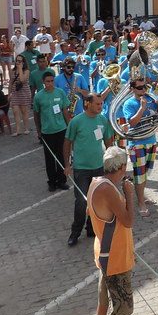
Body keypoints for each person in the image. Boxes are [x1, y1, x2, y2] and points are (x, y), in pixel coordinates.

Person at [88, 145, 137, 315]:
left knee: (104, 303)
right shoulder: (109, 189)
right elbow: (127, 220)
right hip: (114, 259)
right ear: (122, 167)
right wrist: (129, 193)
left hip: (106, 254)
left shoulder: (97, 182)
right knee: (120, 308)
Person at [63, 94, 115, 246]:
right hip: (81, 169)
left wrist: (110, 162)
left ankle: (92, 228)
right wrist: (67, 164)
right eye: (97, 104)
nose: (100, 106)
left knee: (97, 200)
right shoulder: (77, 121)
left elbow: (108, 141)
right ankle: (75, 232)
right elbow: (67, 142)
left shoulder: (103, 120)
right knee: (81, 202)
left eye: (101, 104)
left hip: (99, 168)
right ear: (87, 104)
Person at [121, 77, 158, 217]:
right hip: (137, 143)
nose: (143, 90)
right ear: (132, 89)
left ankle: (142, 196)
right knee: (139, 174)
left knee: (146, 172)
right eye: (140, 88)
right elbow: (133, 122)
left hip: (151, 140)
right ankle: (141, 202)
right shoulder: (129, 103)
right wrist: (142, 108)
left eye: (144, 87)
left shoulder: (151, 99)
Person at [32, 72, 71, 192]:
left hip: (61, 129)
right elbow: (36, 115)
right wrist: (39, 131)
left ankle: (62, 180)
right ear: (43, 82)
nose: (50, 84)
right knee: (49, 158)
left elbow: (65, 110)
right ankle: (52, 182)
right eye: (47, 81)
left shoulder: (60, 92)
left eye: (52, 81)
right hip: (47, 131)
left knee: (61, 156)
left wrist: (69, 126)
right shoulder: (39, 96)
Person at [9, 57, 33, 136]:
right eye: (17, 61)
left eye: (19, 61)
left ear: (23, 62)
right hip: (15, 92)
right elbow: (11, 82)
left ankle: (26, 128)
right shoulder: (12, 71)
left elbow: (22, 80)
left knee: (24, 111)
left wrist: (20, 69)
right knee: (15, 111)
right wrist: (9, 93)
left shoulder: (26, 71)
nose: (17, 62)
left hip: (24, 93)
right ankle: (18, 130)